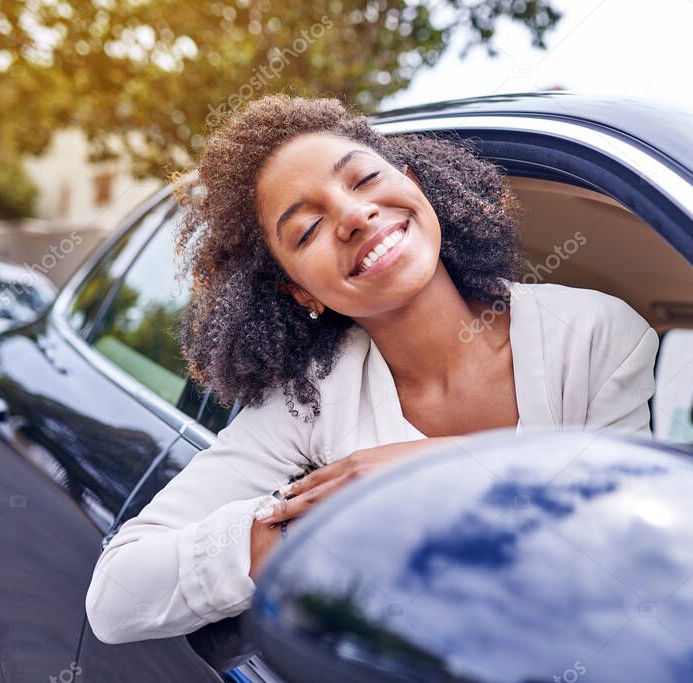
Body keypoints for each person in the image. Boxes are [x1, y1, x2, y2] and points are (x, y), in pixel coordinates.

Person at [84, 94, 659, 645]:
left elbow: (633, 554)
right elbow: (116, 597)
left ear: (412, 180)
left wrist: (448, 467)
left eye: (364, 180)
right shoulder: (307, 402)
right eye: (306, 230)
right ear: (299, 290)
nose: (356, 215)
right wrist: (306, 528)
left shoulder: (596, 336)